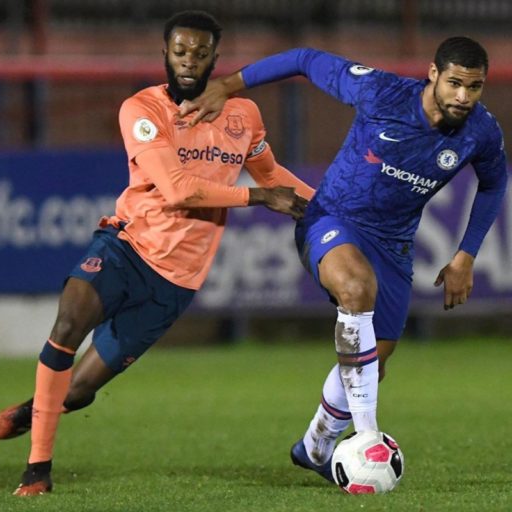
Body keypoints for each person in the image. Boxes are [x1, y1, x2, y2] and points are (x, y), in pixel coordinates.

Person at [0, 10, 315, 496]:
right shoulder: (142, 109)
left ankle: (32, 409)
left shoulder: (244, 116)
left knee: (78, 392)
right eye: (180, 51)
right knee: (67, 325)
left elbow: (273, 177)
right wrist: (256, 198)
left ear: (214, 59)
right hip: (126, 246)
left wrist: (333, 212)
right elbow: (178, 189)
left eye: (200, 53)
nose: (189, 61)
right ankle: (38, 469)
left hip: (176, 282)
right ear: (165, 53)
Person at [178, 38, 508, 481]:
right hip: (332, 219)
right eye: (454, 84)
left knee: (377, 359)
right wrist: (228, 85)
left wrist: (466, 254)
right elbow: (303, 59)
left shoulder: (481, 132)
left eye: (474, 87)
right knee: (355, 289)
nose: (463, 97)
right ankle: (368, 435)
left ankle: (314, 446)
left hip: (393, 245)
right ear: (433, 74)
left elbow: (493, 184)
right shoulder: (382, 93)